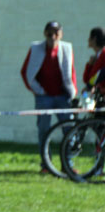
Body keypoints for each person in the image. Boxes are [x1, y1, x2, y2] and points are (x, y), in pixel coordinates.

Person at [20, 20, 78, 172]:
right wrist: (38, 91)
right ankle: (46, 164)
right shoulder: (36, 48)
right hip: (43, 97)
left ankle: (68, 166)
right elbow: (26, 72)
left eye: (56, 32)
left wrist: (73, 92)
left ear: (61, 34)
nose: (53, 36)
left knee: (69, 129)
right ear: (45, 33)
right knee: (44, 131)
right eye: (50, 32)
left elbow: (71, 73)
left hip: (63, 96)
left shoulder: (66, 48)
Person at [82, 27, 105, 97]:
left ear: (94, 39)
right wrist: (90, 65)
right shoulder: (97, 56)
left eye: (89, 37)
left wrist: (88, 86)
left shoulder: (103, 54)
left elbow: (99, 74)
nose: (88, 40)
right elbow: (87, 79)